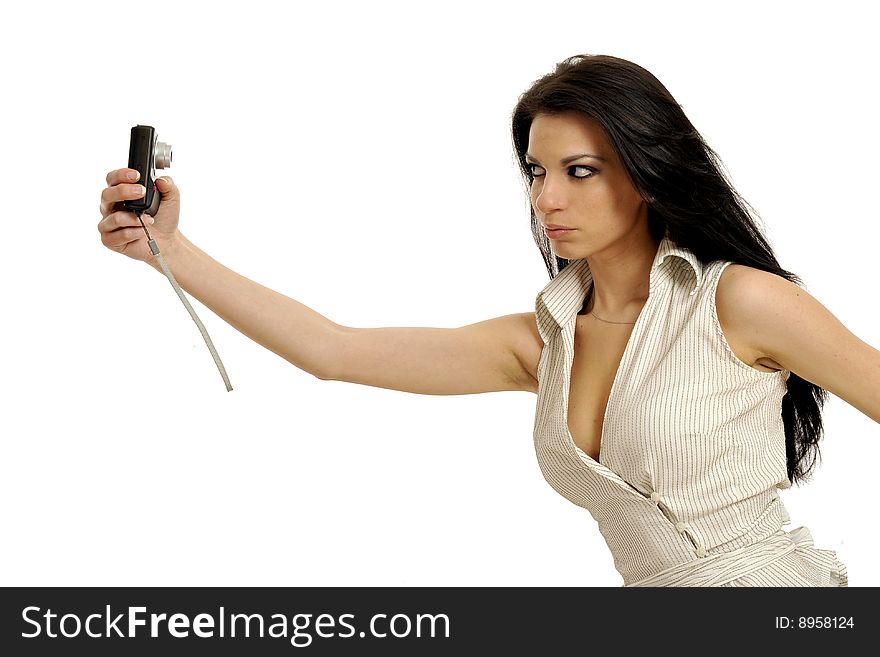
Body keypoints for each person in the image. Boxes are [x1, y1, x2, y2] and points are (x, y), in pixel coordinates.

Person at [97, 54, 879, 587]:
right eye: (538, 172)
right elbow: (333, 350)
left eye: (581, 171)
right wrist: (174, 252)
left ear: (646, 173)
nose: (547, 199)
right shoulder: (542, 344)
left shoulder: (737, 302)